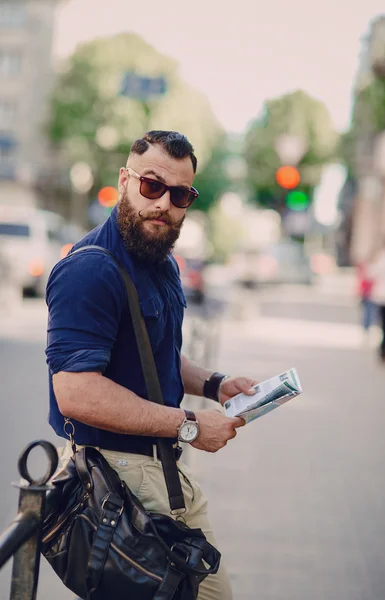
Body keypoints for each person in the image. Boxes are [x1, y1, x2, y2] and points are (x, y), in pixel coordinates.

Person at [45, 130, 257, 600]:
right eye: (152, 186)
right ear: (125, 180)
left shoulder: (159, 261)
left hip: (156, 471)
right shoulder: (91, 269)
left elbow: (153, 353)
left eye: (179, 194)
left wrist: (217, 384)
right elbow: (76, 392)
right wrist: (189, 426)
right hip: (119, 479)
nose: (164, 203)